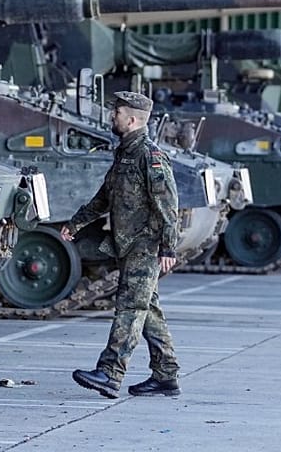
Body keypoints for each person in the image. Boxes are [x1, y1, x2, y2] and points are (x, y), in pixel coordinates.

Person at [61, 90, 182, 398]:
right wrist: (75, 223)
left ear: (131, 120)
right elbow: (105, 196)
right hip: (127, 244)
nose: (111, 116)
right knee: (148, 310)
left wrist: (168, 247)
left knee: (130, 307)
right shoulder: (125, 152)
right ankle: (166, 376)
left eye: (116, 113)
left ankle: (110, 373)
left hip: (145, 245)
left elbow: (168, 205)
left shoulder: (149, 156)